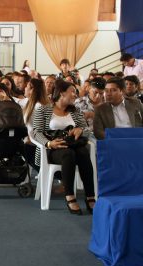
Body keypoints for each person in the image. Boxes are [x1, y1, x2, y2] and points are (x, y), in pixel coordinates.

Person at [33, 80, 95, 214]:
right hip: (52, 149)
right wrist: (49, 143)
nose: (75, 94)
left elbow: (86, 129)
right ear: (61, 93)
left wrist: (80, 130)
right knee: (68, 154)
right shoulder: (43, 110)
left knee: (83, 153)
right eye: (72, 91)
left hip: (73, 144)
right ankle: (70, 196)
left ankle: (90, 195)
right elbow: (36, 132)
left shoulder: (76, 110)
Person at [23, 78, 49, 171]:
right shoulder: (29, 102)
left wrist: (30, 139)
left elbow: (40, 129)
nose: (24, 88)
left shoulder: (38, 106)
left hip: (37, 142)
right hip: (33, 139)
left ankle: (43, 171)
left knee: (20, 147)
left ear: (32, 90)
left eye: (27, 86)